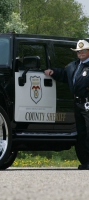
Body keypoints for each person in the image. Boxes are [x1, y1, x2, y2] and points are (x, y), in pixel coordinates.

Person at [44, 39, 89, 170]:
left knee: (88, 133)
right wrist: (53, 72)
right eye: (78, 51)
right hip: (77, 104)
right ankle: (85, 162)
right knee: (81, 133)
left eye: (83, 51)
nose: (80, 53)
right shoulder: (73, 66)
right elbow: (64, 75)